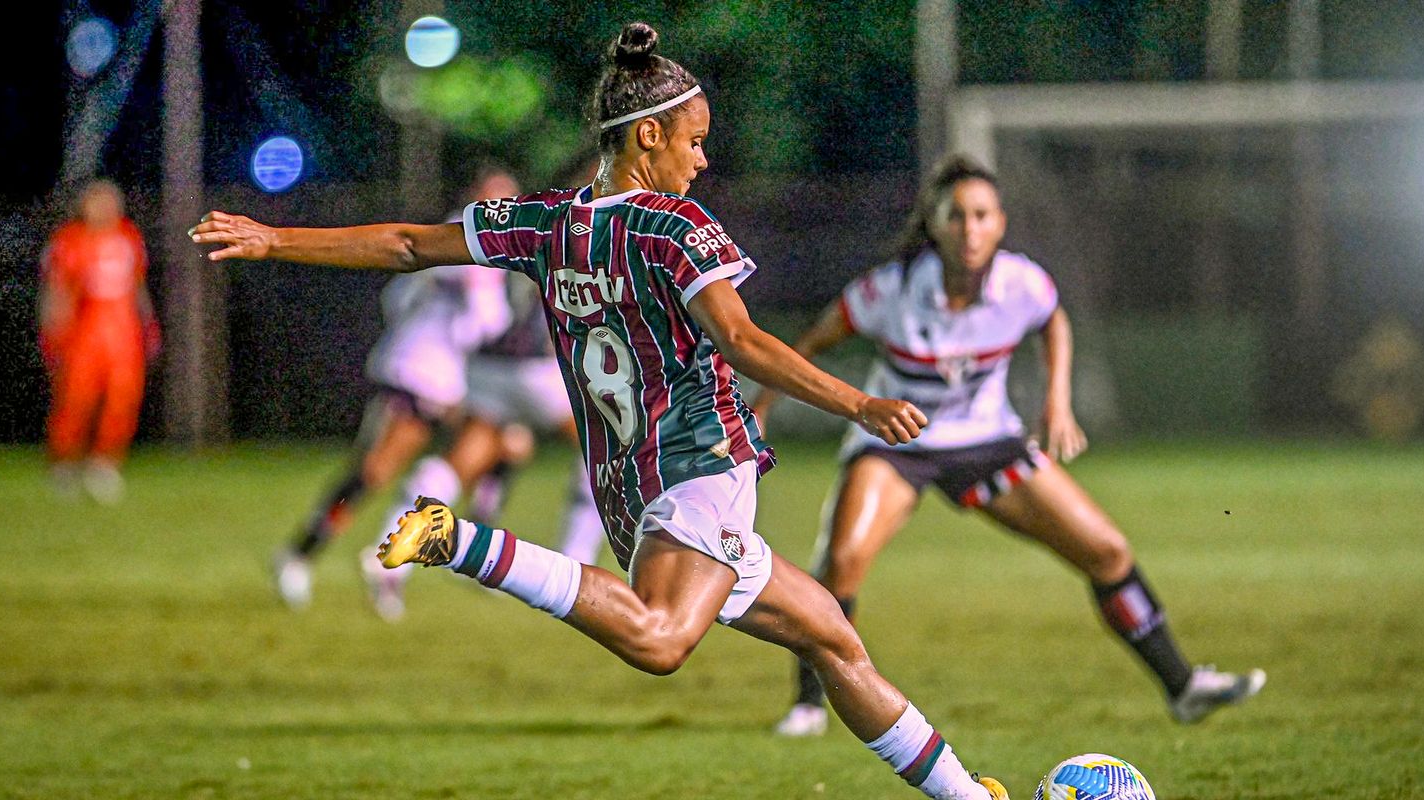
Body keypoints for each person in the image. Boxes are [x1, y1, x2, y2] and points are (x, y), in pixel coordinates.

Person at [192, 22, 1012, 800]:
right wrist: (858, 402)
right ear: (648, 135)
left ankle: (969, 794)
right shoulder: (674, 228)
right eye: (694, 140)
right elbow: (739, 340)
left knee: (832, 638)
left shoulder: (546, 224)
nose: (703, 158)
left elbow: (408, 245)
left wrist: (276, 238)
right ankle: (461, 540)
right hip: (698, 465)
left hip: (629, 491)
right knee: (661, 639)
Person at [754, 155, 1266, 738]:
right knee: (841, 563)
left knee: (1106, 551)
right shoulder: (890, 290)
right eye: (956, 216)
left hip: (989, 442)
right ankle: (809, 705)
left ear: (1000, 224)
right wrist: (763, 405)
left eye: (982, 216)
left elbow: (1053, 320)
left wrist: (1056, 401)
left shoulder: (1021, 283)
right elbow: (809, 344)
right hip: (900, 445)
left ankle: (1183, 687)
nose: (970, 230)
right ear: (934, 225)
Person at [271, 168, 517, 611]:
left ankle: (431, 555)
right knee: (375, 470)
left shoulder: (446, 235)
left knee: (503, 444)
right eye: (495, 197)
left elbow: (397, 296)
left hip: (439, 372)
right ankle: (302, 554)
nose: (503, 207)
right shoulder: (476, 240)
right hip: (421, 373)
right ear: (476, 197)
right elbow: (488, 319)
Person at [361, 270, 605, 620]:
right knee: (602, 442)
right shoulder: (563, 242)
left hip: (485, 369)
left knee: (460, 461)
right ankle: (578, 560)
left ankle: (390, 554)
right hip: (537, 371)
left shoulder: (485, 242)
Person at [40, 179, 158, 504]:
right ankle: (64, 460)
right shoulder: (70, 239)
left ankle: (104, 463)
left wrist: (148, 323)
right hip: (85, 329)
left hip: (122, 329)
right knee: (76, 397)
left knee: (123, 395)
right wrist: (53, 331)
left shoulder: (128, 236)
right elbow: (58, 289)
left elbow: (137, 285)